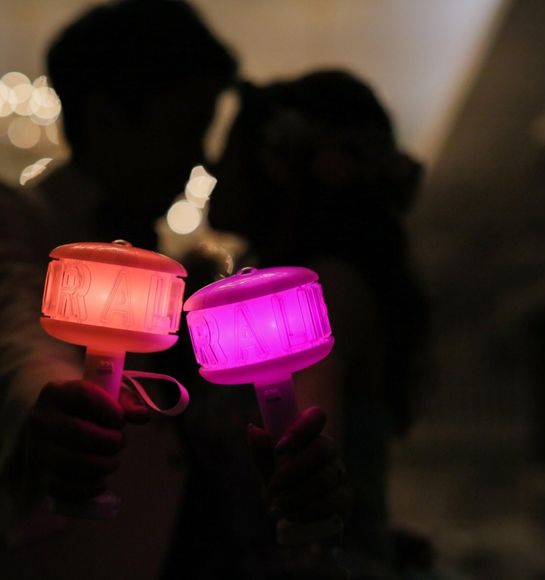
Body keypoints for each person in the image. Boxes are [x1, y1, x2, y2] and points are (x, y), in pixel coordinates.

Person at [0, 3, 349, 579]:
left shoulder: (182, 273)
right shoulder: (18, 221)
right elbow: (20, 341)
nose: (200, 158)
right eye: (186, 128)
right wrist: (55, 405)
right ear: (106, 118)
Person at [208, 70, 430, 577]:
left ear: (277, 163)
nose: (214, 164)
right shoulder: (315, 284)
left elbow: (308, 444)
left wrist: (303, 490)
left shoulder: (322, 291)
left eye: (231, 148)